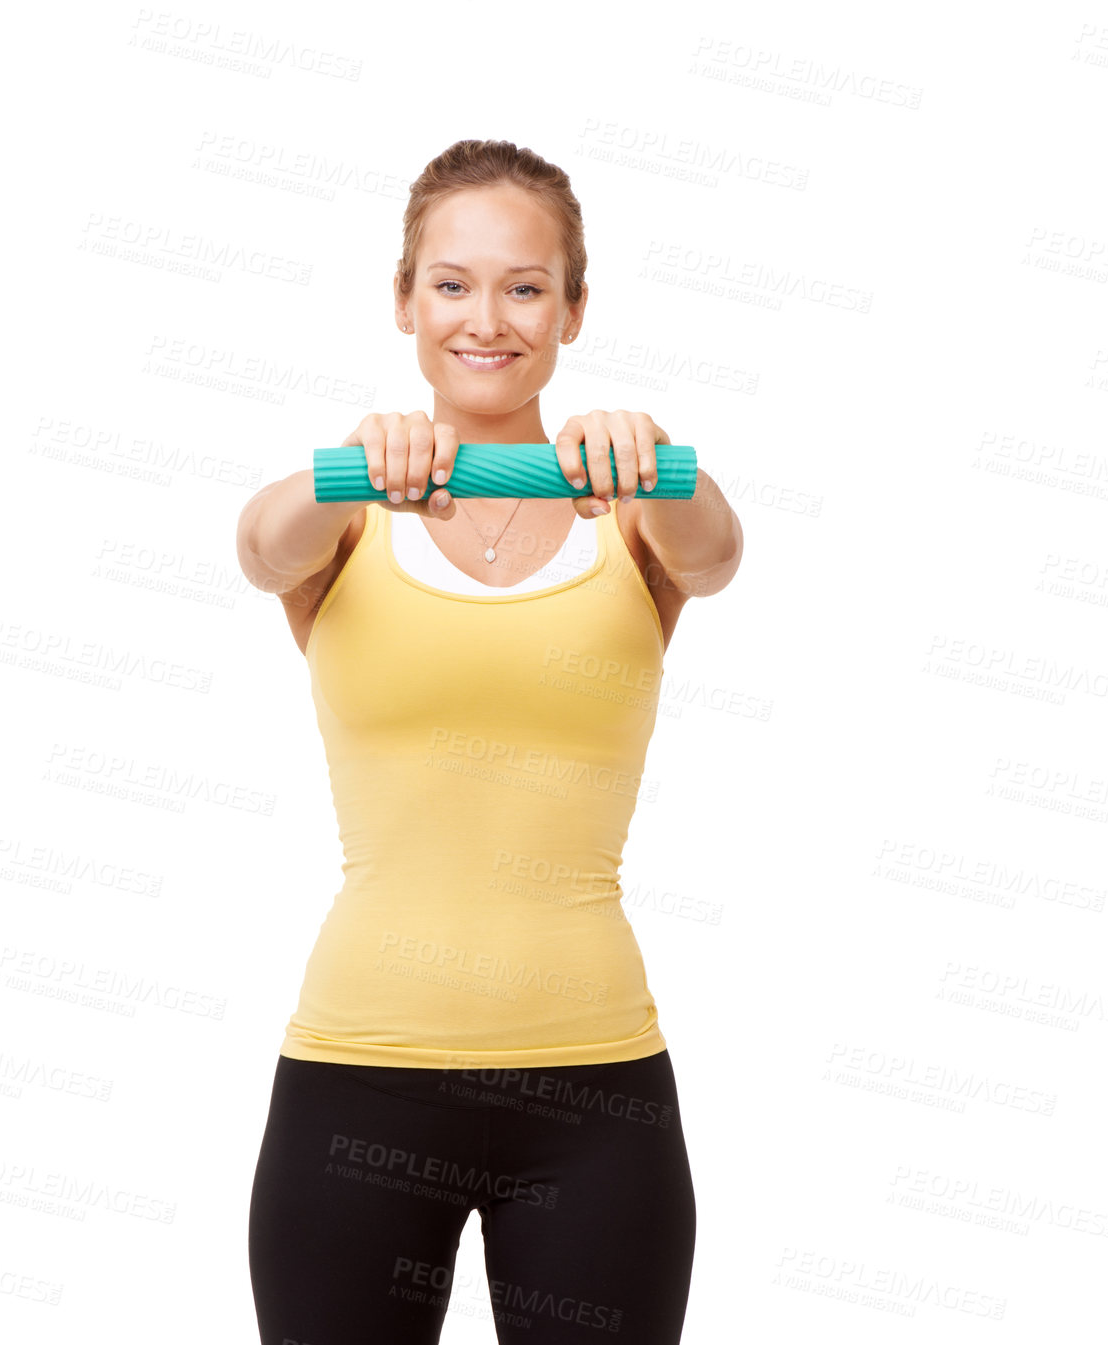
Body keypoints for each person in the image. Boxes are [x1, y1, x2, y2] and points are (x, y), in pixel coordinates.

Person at [237, 138, 742, 1344]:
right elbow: (262, 550)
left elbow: (715, 555)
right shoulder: (345, 515)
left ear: (573, 308)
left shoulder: (630, 507)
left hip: (594, 1098)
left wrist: (656, 456)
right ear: (404, 298)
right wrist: (349, 471)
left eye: (524, 286)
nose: (487, 317)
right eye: (451, 283)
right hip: (355, 1080)